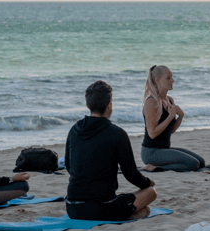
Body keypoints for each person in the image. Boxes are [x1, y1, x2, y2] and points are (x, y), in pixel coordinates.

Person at [65, 81, 157, 221]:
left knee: (122, 198)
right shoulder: (117, 133)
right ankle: (131, 215)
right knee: (151, 192)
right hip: (102, 208)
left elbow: (69, 166)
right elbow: (131, 174)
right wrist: (147, 182)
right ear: (109, 105)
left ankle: (129, 213)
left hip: (72, 208)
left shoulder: (74, 130)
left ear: (87, 104)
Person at [141, 65, 205, 171]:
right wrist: (170, 116)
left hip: (164, 149)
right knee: (193, 164)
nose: (173, 80)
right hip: (151, 152)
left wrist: (180, 116)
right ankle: (154, 168)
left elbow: (169, 131)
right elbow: (152, 134)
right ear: (157, 80)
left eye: (172, 77)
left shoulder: (169, 100)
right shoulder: (151, 102)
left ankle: (158, 166)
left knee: (201, 162)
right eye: (168, 78)